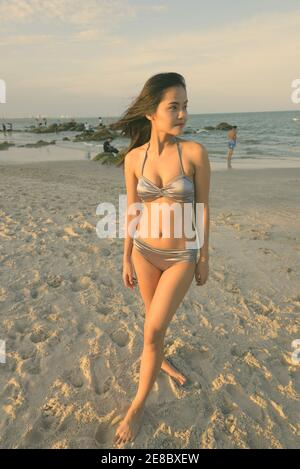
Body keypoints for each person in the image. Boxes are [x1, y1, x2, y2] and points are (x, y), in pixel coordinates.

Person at [110, 72, 210, 446]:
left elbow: (202, 208)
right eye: (174, 106)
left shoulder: (195, 153)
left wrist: (203, 256)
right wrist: (125, 257)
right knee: (154, 326)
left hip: (180, 257)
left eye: (185, 106)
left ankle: (137, 405)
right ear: (151, 112)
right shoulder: (134, 158)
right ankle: (162, 361)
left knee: (152, 331)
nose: (182, 114)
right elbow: (132, 210)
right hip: (144, 255)